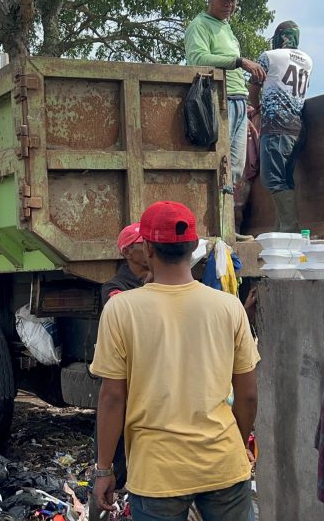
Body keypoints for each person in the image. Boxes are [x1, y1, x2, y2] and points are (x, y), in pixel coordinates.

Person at [92, 201, 260, 521]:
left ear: (148, 249)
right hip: (223, 462)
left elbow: (113, 397)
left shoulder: (121, 309)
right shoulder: (229, 307)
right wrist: (234, 447)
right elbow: (249, 394)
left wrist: (103, 471)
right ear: (194, 246)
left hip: (157, 474)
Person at [185, 0, 266, 240]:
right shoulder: (200, 24)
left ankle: (227, 228)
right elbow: (197, 58)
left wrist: (249, 104)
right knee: (217, 165)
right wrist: (239, 62)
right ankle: (213, 229)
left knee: (235, 169)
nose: (229, 4)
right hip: (218, 101)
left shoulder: (227, 29)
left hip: (239, 101)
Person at [248, 21, 313, 233]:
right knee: (285, 179)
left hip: (276, 127)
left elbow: (254, 87)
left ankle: (290, 229)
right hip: (296, 128)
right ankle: (280, 230)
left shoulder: (269, 56)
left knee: (272, 178)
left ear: (280, 36)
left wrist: (255, 107)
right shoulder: (308, 61)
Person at [100, 222, 149, 308]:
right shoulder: (113, 287)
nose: (152, 248)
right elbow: (121, 311)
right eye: (145, 244)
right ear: (127, 252)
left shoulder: (165, 278)